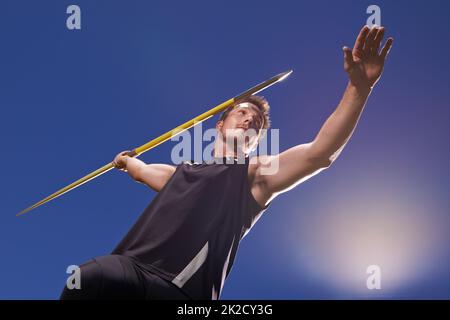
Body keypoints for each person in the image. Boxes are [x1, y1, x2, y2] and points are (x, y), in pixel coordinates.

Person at [60, 25, 393, 300]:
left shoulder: (253, 176)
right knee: (90, 278)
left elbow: (319, 154)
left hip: (182, 293)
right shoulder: (181, 174)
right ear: (220, 125)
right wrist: (126, 161)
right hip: (131, 271)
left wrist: (358, 88)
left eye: (258, 122)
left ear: (258, 140)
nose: (250, 119)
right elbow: (142, 170)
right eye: (242, 112)